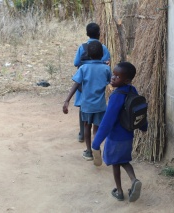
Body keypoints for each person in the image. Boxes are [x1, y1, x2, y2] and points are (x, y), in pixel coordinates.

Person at [91, 62, 148, 202]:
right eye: (113, 74)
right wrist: (143, 126)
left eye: (117, 76)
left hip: (115, 137)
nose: (113, 77)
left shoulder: (116, 96)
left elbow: (107, 121)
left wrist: (96, 142)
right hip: (128, 136)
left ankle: (119, 191)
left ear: (126, 80)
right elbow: (139, 110)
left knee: (116, 164)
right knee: (125, 161)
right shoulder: (132, 90)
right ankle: (134, 180)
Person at [63, 41, 111, 160]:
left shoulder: (84, 68)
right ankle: (97, 148)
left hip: (87, 105)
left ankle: (89, 152)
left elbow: (76, 84)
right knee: (96, 128)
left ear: (88, 54)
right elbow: (111, 82)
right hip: (100, 105)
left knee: (86, 127)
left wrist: (67, 100)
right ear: (102, 54)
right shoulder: (106, 69)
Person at [73, 23, 111, 143]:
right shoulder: (103, 47)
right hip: (97, 85)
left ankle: (82, 134)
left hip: (83, 83)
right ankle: (96, 142)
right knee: (97, 113)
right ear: (99, 33)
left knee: (83, 107)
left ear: (87, 33)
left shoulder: (82, 47)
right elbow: (107, 63)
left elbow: (76, 62)